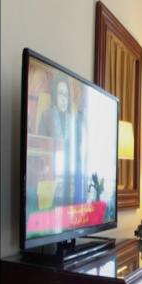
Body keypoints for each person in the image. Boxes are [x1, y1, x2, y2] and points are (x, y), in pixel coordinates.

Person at [37, 75, 88, 206]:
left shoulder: (73, 120)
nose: (64, 99)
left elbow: (79, 150)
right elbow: (40, 145)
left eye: (66, 95)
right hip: (50, 173)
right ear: (55, 95)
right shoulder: (46, 116)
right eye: (60, 94)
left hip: (70, 176)